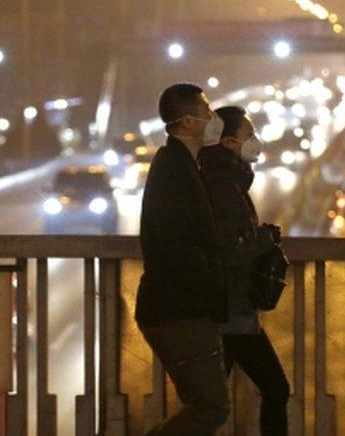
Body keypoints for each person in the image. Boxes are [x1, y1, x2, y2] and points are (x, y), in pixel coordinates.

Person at [136, 83, 230, 435]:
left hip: (182, 308)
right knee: (211, 407)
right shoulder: (173, 171)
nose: (212, 118)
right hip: (179, 311)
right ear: (188, 122)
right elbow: (178, 245)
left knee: (204, 405)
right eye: (207, 111)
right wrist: (210, 280)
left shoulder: (181, 165)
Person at [199, 106, 290, 435]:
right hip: (231, 311)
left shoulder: (226, 180)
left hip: (232, 309)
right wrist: (265, 238)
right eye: (248, 135)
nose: (255, 141)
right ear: (227, 143)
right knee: (274, 389)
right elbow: (230, 249)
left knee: (209, 404)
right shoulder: (223, 185)